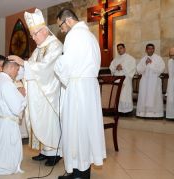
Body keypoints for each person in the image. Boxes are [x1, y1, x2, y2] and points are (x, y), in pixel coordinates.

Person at [54, 9, 106, 179]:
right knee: (86, 129)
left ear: (67, 20)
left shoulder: (74, 35)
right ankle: (83, 170)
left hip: (78, 87)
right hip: (89, 87)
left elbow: (66, 66)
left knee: (76, 128)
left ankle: (78, 173)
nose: (61, 30)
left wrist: (58, 63)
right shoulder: (90, 36)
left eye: (60, 26)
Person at [8, 8, 63, 166]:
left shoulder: (55, 46)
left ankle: (55, 152)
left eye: (34, 34)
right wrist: (15, 71)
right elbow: (30, 66)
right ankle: (45, 150)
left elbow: (45, 68)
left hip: (49, 93)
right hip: (39, 93)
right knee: (40, 121)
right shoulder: (39, 48)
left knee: (50, 122)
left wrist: (22, 62)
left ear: (45, 30)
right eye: (31, 35)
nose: (32, 38)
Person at [136, 43, 165, 118]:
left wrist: (151, 64)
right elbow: (139, 70)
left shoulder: (158, 58)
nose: (150, 50)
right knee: (144, 96)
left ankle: (155, 114)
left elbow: (161, 69)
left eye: (152, 48)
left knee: (155, 97)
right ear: (146, 50)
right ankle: (143, 113)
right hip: (145, 82)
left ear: (154, 49)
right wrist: (145, 64)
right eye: (148, 48)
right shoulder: (143, 59)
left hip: (155, 82)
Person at [109, 43, 136, 113]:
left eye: (121, 48)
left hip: (125, 80)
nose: (119, 50)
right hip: (117, 80)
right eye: (118, 49)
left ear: (124, 49)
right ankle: (118, 110)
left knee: (125, 95)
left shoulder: (130, 58)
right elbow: (111, 68)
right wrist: (116, 68)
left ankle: (126, 111)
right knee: (118, 95)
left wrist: (123, 67)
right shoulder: (116, 59)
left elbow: (133, 68)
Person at [166, 47, 174, 119]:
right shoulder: (170, 61)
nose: (172, 57)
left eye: (173, 55)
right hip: (171, 83)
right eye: (171, 55)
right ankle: (171, 116)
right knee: (171, 100)